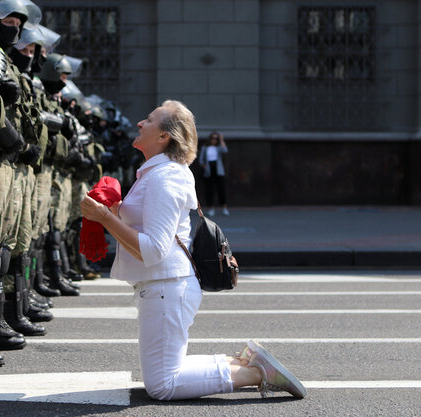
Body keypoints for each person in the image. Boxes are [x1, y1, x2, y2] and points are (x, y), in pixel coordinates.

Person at [80, 100, 306, 401]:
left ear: (164, 137)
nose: (140, 123)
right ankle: (241, 362)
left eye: (149, 120)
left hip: (166, 287)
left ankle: (258, 373)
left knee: (163, 385)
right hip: (163, 287)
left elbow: (153, 250)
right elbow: (151, 227)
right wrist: (117, 209)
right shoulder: (156, 173)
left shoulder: (165, 178)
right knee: (165, 373)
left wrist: (105, 218)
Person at [198, 131, 229, 216]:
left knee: (221, 189)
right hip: (209, 169)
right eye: (213, 138)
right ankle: (211, 208)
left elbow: (225, 150)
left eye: (216, 138)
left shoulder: (218, 147)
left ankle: (224, 208)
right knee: (210, 190)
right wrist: (204, 166)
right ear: (210, 139)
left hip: (218, 169)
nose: (214, 140)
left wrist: (221, 139)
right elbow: (201, 159)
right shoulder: (205, 147)